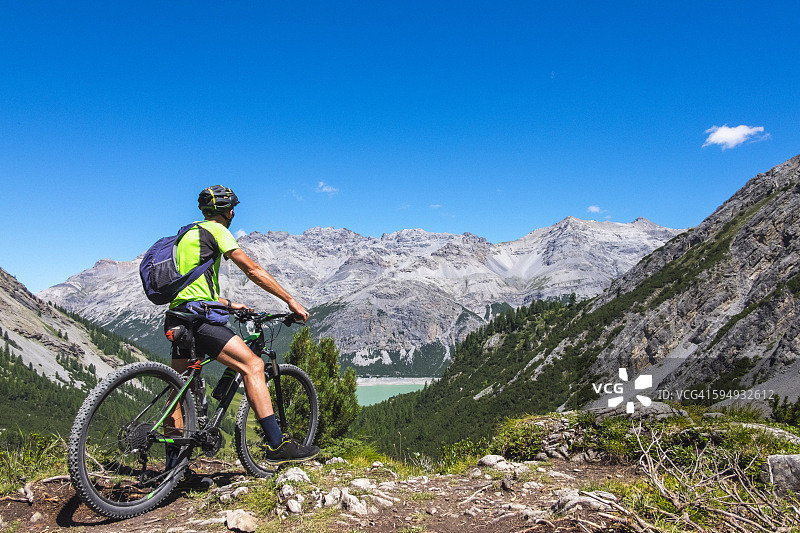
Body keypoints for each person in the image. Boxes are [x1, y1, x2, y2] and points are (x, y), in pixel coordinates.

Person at [164, 185, 319, 481]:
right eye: (232, 207)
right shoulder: (217, 230)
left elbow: (189, 286)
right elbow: (253, 270)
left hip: (178, 317)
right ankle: (278, 444)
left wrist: (229, 304)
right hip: (200, 320)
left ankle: (174, 472)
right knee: (254, 365)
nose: (234, 212)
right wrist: (290, 300)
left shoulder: (185, 235)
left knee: (178, 391)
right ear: (226, 210)